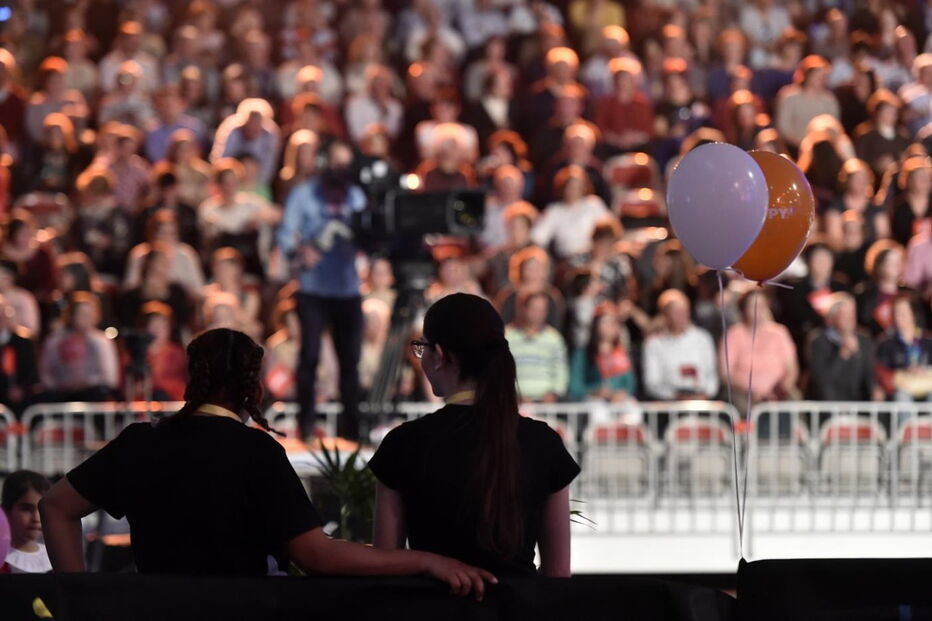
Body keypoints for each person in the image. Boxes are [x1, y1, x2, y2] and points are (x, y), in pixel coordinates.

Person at [39, 329, 496, 596]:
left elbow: (56, 506)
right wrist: (425, 561)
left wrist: (78, 597)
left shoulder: (142, 441)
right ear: (252, 389)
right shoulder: (254, 450)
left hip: (156, 608)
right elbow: (317, 556)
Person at [369, 294, 578, 576]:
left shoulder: (404, 442)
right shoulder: (543, 442)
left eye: (422, 348)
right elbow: (558, 576)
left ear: (440, 355)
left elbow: (385, 565)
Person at [277, 141, 366, 441]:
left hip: (347, 288)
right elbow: (286, 233)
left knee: (350, 362)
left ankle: (352, 429)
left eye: (346, 163)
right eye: (336, 162)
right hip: (313, 288)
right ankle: (306, 426)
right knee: (310, 356)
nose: (340, 170)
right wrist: (301, 251)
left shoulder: (355, 194)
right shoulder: (304, 193)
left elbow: (369, 231)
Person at [720, 290, 800, 416]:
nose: (758, 310)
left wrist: (780, 390)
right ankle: (747, 435)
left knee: (794, 399)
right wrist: (752, 390)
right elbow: (726, 373)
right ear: (743, 309)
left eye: (762, 306)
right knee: (740, 406)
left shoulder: (780, 332)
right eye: (753, 306)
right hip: (743, 393)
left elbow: (792, 369)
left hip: (777, 391)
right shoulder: (733, 334)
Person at [643, 289, 719, 400]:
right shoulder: (654, 344)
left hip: (702, 401)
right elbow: (652, 383)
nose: (681, 316)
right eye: (675, 312)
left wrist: (705, 395)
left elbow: (712, 376)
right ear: (665, 315)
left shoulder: (703, 339)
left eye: (684, 311)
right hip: (669, 404)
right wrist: (676, 396)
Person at [807, 292, 878, 401]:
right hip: (829, 406)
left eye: (852, 313)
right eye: (845, 314)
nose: (850, 319)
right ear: (832, 317)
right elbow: (822, 380)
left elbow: (869, 378)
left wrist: (875, 391)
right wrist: (842, 355)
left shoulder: (864, 341)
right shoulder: (819, 341)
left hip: (859, 406)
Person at [504, 291, 569, 403]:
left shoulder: (554, 338)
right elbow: (503, 370)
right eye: (534, 309)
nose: (538, 313)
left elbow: (561, 371)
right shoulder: (508, 335)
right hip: (514, 401)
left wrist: (553, 393)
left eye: (542, 310)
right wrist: (514, 394)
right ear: (524, 309)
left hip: (547, 403)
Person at [569, 304, 635, 402]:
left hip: (619, 400)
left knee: (633, 410)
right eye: (606, 322)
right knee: (599, 411)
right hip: (593, 401)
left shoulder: (621, 353)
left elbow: (630, 384)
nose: (611, 326)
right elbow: (575, 387)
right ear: (596, 325)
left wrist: (622, 393)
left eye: (614, 322)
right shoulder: (583, 354)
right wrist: (595, 391)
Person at [875, 293, 932, 403]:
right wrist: (904, 372)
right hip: (901, 387)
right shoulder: (886, 344)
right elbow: (881, 371)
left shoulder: (928, 341)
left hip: (926, 384)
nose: (898, 317)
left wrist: (924, 370)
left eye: (902, 313)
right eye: (895, 313)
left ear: (913, 314)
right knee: (902, 396)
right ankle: (905, 421)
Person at [2, 471, 52, 573]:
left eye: (42, 509)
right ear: (6, 511)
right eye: (26, 509)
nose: (36, 518)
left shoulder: (55, 559)